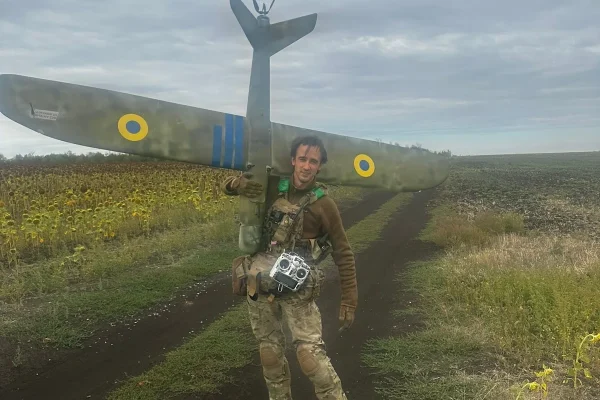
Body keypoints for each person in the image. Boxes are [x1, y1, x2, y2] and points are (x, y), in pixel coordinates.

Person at [221, 135, 357, 400]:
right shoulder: (273, 186)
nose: (307, 166)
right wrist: (238, 184)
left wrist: (349, 300)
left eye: (313, 161)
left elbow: (343, 251)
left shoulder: (324, 204)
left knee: (310, 357)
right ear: (293, 160)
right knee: (269, 354)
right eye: (302, 159)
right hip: (260, 281)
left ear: (319, 166)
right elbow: (227, 186)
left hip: (299, 288)